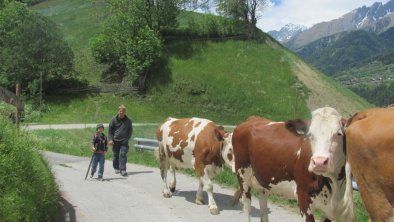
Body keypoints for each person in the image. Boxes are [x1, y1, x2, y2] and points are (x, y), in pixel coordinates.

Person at [108, 104, 133, 177]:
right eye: (120, 111)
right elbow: (110, 130)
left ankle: (123, 170)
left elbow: (130, 131)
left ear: (125, 112)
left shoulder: (128, 121)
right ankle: (116, 167)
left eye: (123, 111)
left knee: (123, 154)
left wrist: (127, 138)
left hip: (124, 141)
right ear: (118, 111)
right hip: (115, 140)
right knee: (116, 155)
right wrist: (110, 139)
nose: (121, 112)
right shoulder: (113, 119)